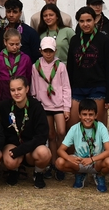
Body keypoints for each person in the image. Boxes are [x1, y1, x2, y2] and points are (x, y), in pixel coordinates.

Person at [66, 7, 109, 129]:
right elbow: (70, 67)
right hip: (77, 88)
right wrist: (67, 92)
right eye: (82, 21)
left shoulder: (103, 40)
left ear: (95, 21)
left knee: (97, 127)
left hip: (98, 87)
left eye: (89, 20)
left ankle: (99, 148)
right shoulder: (75, 40)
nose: (85, 24)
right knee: (72, 126)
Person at [0, 76, 51, 188]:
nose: (16, 93)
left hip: (31, 148)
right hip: (13, 145)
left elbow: (42, 136)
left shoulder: (36, 107)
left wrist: (20, 150)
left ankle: (38, 173)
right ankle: (14, 171)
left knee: (45, 153)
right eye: (13, 90)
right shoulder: (4, 107)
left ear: (27, 89)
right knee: (9, 161)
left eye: (19, 89)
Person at [31, 36, 71, 181]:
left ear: (55, 51)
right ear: (41, 51)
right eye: (46, 51)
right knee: (50, 135)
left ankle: (61, 161)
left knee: (61, 131)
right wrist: (36, 105)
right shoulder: (36, 66)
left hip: (58, 104)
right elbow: (34, 87)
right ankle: (53, 163)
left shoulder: (60, 66)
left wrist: (66, 107)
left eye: (51, 51)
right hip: (43, 105)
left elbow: (66, 87)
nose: (48, 54)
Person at [55, 99, 109, 192]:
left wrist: (91, 159)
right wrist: (69, 158)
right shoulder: (74, 128)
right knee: (59, 162)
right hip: (80, 162)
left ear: (96, 115)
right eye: (84, 114)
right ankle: (79, 174)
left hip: (96, 162)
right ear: (79, 115)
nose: (87, 118)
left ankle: (100, 175)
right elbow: (60, 150)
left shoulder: (101, 127)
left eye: (91, 114)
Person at [0, 29, 32, 104]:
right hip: (3, 94)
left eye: (17, 44)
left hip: (21, 94)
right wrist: (2, 88)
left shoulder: (26, 59)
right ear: (5, 42)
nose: (15, 47)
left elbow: (28, 77)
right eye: (11, 44)